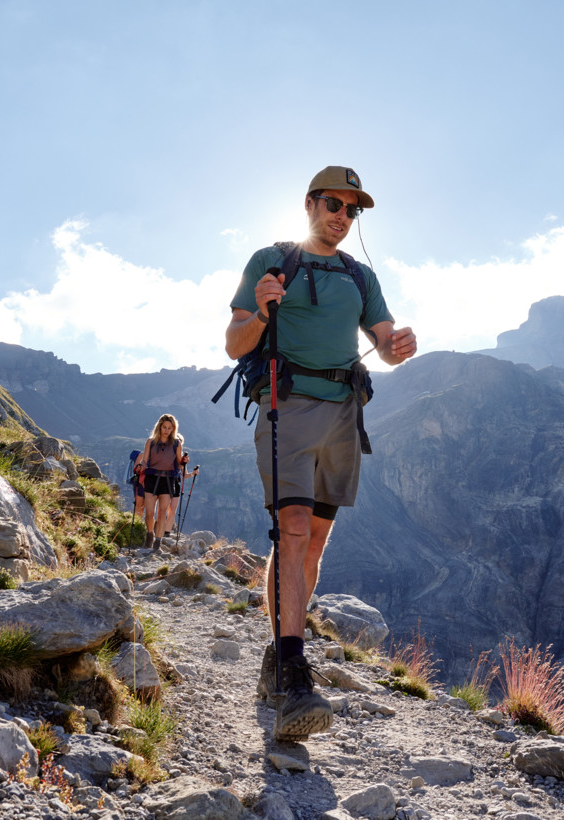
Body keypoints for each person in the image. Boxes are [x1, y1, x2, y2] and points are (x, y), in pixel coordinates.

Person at [225, 165, 417, 742]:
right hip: (288, 404)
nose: (343, 216)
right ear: (309, 203)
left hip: (343, 413)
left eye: (353, 210)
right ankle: (293, 672)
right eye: (335, 203)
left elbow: (383, 345)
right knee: (292, 531)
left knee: (312, 549)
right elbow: (235, 343)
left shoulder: (360, 276)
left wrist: (397, 347)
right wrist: (260, 311)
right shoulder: (271, 260)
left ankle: (277, 654)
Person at [138, 413, 186, 549]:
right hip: (152, 478)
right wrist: (141, 467)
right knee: (149, 512)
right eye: (164, 427)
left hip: (168, 480)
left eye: (169, 428)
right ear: (159, 427)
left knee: (162, 511)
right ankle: (149, 535)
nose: (166, 430)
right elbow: (145, 460)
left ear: (173, 429)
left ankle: (157, 542)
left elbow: (179, 464)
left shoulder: (177, 444)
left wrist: (184, 462)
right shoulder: (151, 442)